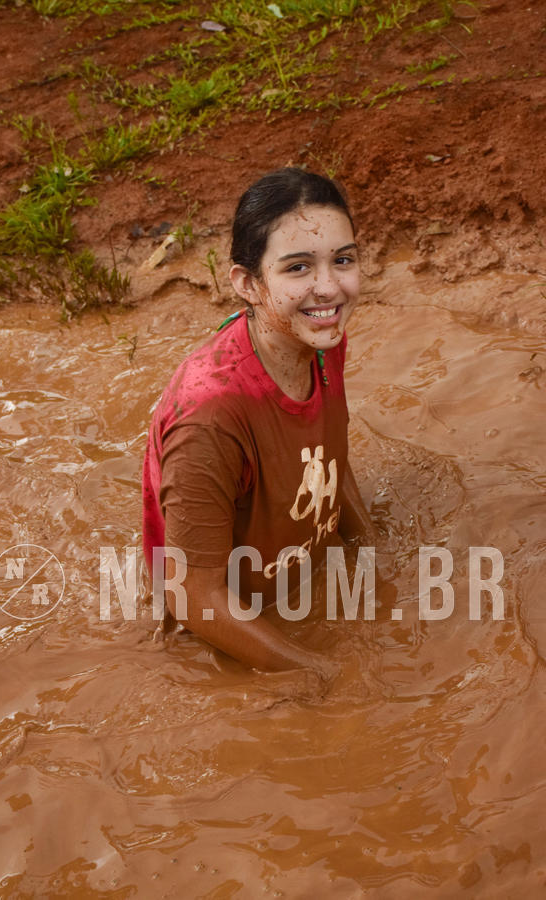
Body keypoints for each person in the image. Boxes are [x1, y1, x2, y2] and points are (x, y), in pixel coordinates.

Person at [142, 167, 373, 682]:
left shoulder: (318, 335)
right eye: (298, 267)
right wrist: (323, 674)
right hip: (225, 638)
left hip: (296, 587)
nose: (329, 288)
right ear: (248, 284)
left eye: (343, 260)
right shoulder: (209, 416)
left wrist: (374, 557)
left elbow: (328, 455)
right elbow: (192, 598)